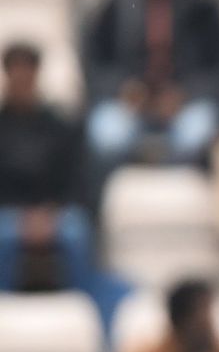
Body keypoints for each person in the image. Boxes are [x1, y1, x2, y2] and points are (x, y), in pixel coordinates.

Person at [81, 0, 219, 176]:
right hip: (128, 102)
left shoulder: (201, 4)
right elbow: (93, 60)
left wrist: (184, 94)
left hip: (185, 102)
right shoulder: (119, 2)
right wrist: (123, 89)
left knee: (196, 134)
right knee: (107, 135)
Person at [0, 41, 131, 328]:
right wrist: (23, 217)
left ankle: (87, 322)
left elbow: (76, 180)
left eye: (28, 73)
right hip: (8, 214)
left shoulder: (60, 127)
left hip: (56, 214)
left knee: (77, 231)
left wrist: (49, 213)